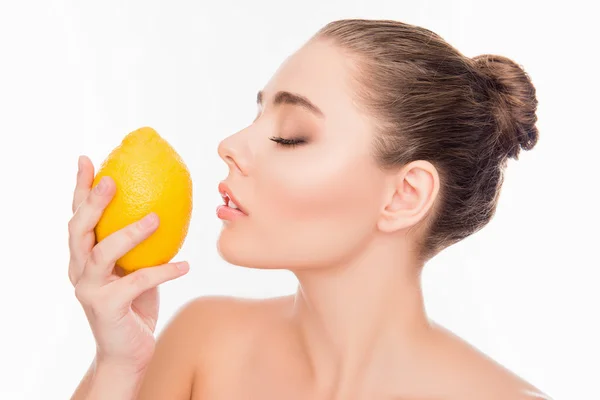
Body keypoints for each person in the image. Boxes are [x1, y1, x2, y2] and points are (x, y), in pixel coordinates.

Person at [69, 19, 551, 400]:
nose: (229, 145)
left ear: (405, 195)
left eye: (290, 135)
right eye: (257, 116)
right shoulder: (204, 343)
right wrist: (116, 367)